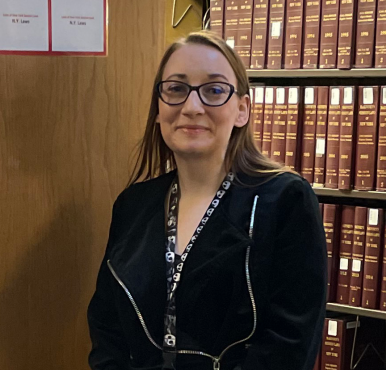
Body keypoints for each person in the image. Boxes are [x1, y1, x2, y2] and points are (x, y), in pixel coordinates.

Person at [87, 30, 327, 370]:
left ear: (242, 110)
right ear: (158, 108)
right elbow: (107, 329)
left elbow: (290, 344)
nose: (192, 106)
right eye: (176, 89)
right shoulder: (133, 205)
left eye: (214, 90)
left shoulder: (286, 201)